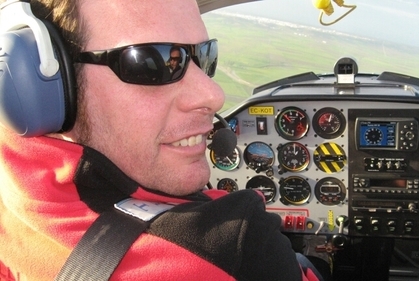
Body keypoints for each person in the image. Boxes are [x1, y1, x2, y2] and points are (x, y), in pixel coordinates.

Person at [0, 0, 322, 280]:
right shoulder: (233, 245)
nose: (214, 95)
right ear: (46, 82)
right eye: (151, 62)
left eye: (205, 56)